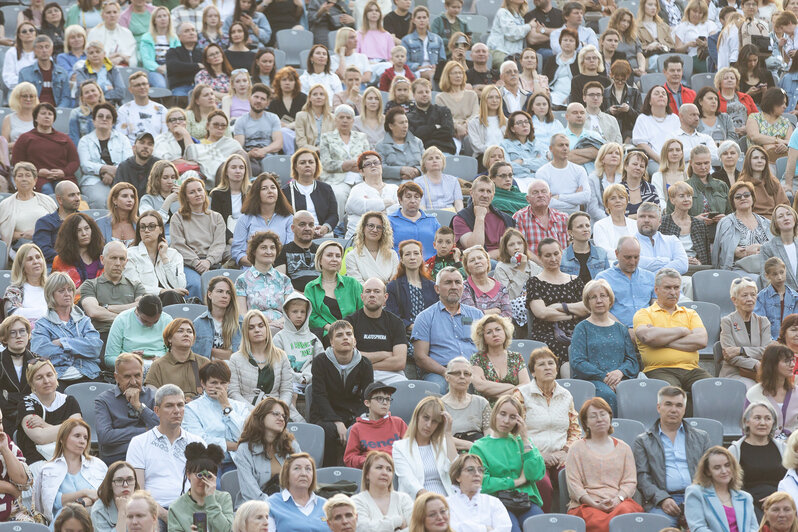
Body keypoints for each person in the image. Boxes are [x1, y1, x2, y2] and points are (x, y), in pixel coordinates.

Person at [632, 385, 713, 526]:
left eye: (679, 405)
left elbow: (710, 472)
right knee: (660, 526)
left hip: (698, 498)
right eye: (668, 404)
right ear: (659, 407)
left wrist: (697, 496)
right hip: (662, 502)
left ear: (684, 409)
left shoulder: (702, 437)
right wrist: (662, 499)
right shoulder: (643, 441)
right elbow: (642, 477)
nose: (674, 410)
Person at [633, 268, 710, 409]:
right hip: (659, 369)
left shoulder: (690, 314)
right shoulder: (644, 313)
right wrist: (682, 330)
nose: (673, 292)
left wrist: (662, 341)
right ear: (656, 290)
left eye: (676, 287)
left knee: (712, 389)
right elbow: (648, 336)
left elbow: (701, 341)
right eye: (667, 287)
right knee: (673, 395)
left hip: (692, 369)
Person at [125, 385, 203, 520]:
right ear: (157, 411)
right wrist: (167, 516)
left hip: (192, 511)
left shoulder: (198, 443)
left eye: (180, 405)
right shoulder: (139, 443)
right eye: (169, 406)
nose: (177, 411)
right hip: (154, 512)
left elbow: (205, 487)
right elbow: (138, 491)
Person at [565, 397, 643, 530]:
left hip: (618, 502)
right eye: (593, 416)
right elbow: (574, 485)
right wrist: (594, 504)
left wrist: (618, 499)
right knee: (597, 521)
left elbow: (630, 482)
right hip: (588, 505)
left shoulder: (624, 448)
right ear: (586, 422)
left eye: (603, 414)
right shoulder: (576, 448)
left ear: (610, 417)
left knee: (626, 515)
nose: (599, 419)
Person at [310, 319, 374, 465]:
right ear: (331, 342)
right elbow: (319, 396)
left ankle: (355, 475)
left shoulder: (365, 364)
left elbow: (367, 398)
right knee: (329, 431)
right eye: (339, 335)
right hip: (324, 414)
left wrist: (355, 423)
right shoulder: (320, 361)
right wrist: (336, 421)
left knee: (360, 429)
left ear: (355, 340)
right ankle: (328, 477)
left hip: (352, 412)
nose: (345, 338)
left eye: (349, 334)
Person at [570, 280, 639, 414]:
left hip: (620, 379)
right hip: (592, 380)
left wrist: (620, 372)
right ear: (587, 302)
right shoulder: (582, 328)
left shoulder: (621, 329)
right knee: (608, 395)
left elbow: (632, 360)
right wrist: (604, 377)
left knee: (636, 395)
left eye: (603, 296)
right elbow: (577, 362)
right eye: (593, 297)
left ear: (610, 300)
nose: (599, 300)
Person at [411, 267, 483, 391]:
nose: (454, 286)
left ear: (463, 287)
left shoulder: (477, 315)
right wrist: (447, 372)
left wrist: (477, 372)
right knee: (436, 390)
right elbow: (420, 357)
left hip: (474, 370)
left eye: (458, 282)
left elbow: (487, 349)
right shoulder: (425, 317)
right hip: (440, 372)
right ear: (437, 289)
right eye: (448, 283)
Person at [31, 271, 102, 386]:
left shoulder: (84, 320)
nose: (67, 294)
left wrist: (62, 342)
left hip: (89, 374)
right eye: (61, 290)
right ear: (51, 294)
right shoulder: (42, 324)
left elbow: (95, 348)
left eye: (70, 289)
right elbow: (41, 353)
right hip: (57, 380)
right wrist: (80, 350)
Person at [182, 360, 251, 475]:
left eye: (223, 383)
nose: (218, 387)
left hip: (239, 463)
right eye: (213, 383)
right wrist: (233, 446)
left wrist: (226, 406)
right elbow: (199, 441)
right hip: (207, 464)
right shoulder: (191, 409)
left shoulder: (240, 407)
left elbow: (243, 435)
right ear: (203, 383)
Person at [228, 309, 298, 421]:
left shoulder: (281, 356)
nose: (257, 330)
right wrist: (256, 412)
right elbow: (233, 393)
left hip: (279, 410)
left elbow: (287, 390)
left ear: (267, 328)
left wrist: (279, 409)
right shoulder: (236, 358)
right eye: (251, 327)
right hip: (248, 412)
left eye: (261, 326)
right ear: (246, 332)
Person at [527, 238, 588, 364]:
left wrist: (559, 306)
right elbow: (542, 313)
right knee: (560, 347)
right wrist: (572, 315)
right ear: (540, 257)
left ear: (562, 253)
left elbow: (586, 307)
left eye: (556, 254)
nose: (553, 259)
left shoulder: (575, 280)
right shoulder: (534, 282)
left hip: (577, 331)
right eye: (548, 255)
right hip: (547, 333)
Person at [34, 418, 108, 522]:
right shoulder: (49, 469)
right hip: (62, 524)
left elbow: (105, 497)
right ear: (62, 439)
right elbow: (53, 503)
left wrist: (82, 502)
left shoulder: (98, 465)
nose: (82, 441)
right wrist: (84, 493)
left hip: (95, 522)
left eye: (85, 438)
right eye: (77, 436)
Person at [233, 397, 300, 504]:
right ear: (261, 417)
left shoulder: (291, 445)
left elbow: (301, 481)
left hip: (288, 506)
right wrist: (278, 507)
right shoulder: (245, 449)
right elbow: (250, 493)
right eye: (275, 414)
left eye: (283, 416)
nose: (281, 418)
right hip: (255, 509)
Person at [94, 353, 158, 464]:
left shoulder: (153, 396)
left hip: (149, 455)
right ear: (116, 377)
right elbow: (105, 436)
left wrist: (139, 406)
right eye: (127, 376)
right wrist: (145, 431)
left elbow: (163, 428)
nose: (133, 382)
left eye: (137, 375)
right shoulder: (103, 400)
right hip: (118, 458)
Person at [170, 177, 226, 299]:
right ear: (185, 197)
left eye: (199, 190)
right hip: (189, 264)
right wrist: (196, 263)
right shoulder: (177, 218)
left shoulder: (216, 217)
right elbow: (178, 245)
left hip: (211, 263)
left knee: (221, 287)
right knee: (196, 284)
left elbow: (219, 244)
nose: (197, 194)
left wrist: (208, 261)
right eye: (192, 192)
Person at [729, 402, 787, 519]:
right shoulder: (735, 450)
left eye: (767, 419)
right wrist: (753, 500)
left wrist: (780, 498)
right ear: (746, 422)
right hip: (749, 503)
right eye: (757, 418)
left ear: (773, 423)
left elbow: (791, 480)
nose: (762, 423)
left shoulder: (783, 449)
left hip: (782, 502)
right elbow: (732, 483)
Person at [393, 396, 457, 497]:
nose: (428, 425)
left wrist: (448, 434)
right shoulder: (400, 447)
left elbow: (455, 471)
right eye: (426, 418)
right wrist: (431, 499)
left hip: (446, 500)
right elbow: (408, 481)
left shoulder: (443, 444)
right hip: (417, 502)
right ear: (417, 417)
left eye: (434, 421)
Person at [79, 241, 144, 339]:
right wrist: (127, 319)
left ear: (126, 262)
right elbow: (93, 311)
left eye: (122, 259)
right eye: (113, 258)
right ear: (102, 259)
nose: (118, 263)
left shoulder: (136, 285)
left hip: (130, 335)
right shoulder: (90, 285)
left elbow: (141, 309)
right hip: (101, 335)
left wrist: (106, 308)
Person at [685, 446, 758, 532]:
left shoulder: (745, 497)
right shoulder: (695, 492)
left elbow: (754, 528)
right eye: (717, 467)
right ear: (708, 471)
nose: (724, 471)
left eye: (727, 465)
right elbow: (698, 528)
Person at [11, 103, 79, 194]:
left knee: (64, 190)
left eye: (50, 114)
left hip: (63, 177)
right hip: (36, 177)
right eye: (43, 113)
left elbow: (74, 161)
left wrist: (63, 172)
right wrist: (36, 172)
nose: (47, 116)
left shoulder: (64, 138)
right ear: (35, 118)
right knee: (46, 190)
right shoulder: (25, 138)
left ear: (53, 119)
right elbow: (17, 161)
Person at [304, 240, 363, 343]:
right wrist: (331, 328)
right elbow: (311, 316)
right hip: (327, 335)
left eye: (338, 256)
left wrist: (349, 331)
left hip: (354, 333)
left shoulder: (353, 284)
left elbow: (362, 310)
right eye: (329, 255)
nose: (334, 259)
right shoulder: (311, 287)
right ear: (320, 260)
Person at [167, 442, 234, 532]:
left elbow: (229, 530)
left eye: (208, 475)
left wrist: (210, 499)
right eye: (199, 475)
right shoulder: (176, 508)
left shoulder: (223, 498)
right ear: (188, 474)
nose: (203, 480)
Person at [320, 104, 371, 221]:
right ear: (335, 119)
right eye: (341, 117)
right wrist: (344, 165)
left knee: (367, 196)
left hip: (360, 178)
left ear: (353, 121)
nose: (345, 120)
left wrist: (359, 167)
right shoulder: (326, 137)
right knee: (339, 195)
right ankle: (337, 226)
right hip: (337, 179)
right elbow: (326, 163)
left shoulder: (362, 137)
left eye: (348, 118)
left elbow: (368, 159)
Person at [124, 210, 187, 304]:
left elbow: (180, 285)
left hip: (172, 300)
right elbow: (134, 286)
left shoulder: (173, 254)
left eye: (151, 226)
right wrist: (162, 291)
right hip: (144, 301)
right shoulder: (130, 254)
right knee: (170, 295)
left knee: (171, 296)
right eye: (142, 227)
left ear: (161, 229)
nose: (146, 230)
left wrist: (165, 258)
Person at [719, 280, 772, 387]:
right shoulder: (727, 321)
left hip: (761, 373)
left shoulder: (763, 321)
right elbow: (729, 355)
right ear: (734, 300)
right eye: (744, 295)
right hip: (735, 373)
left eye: (753, 295)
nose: (750, 299)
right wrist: (755, 363)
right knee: (752, 387)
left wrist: (740, 350)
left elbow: (767, 351)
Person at [343, 382, 407, 467]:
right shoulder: (357, 428)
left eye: (388, 399)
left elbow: (411, 449)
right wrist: (368, 461)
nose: (385, 403)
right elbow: (349, 458)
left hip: (396, 469)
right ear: (367, 403)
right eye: (379, 399)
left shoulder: (398, 423)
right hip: (370, 472)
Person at [0, 164, 56, 261]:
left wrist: (38, 234)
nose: (24, 179)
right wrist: (24, 235)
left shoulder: (47, 200)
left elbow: (59, 225)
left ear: (35, 180)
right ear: (15, 180)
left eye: (28, 175)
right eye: (20, 175)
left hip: (49, 247)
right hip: (20, 251)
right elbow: (3, 233)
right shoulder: (5, 205)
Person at [144, 319, 210, 400]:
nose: (186, 334)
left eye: (189, 332)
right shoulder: (158, 365)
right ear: (169, 338)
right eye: (180, 331)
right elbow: (152, 397)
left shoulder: (204, 362)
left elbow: (215, 390)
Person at [713, 181, 772, 271]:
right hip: (739, 268)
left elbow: (775, 246)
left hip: (767, 267)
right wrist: (742, 252)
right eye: (738, 197)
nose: (743, 198)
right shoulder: (726, 222)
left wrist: (760, 247)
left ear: (753, 198)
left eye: (747, 195)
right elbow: (726, 248)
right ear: (733, 202)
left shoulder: (766, 222)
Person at [445, 453, 512, 532]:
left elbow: (505, 528)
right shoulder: (447, 504)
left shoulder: (494, 502)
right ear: (457, 477)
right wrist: (484, 529)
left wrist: (465, 526)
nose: (477, 474)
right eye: (470, 470)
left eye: (480, 470)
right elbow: (452, 529)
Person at [104, 295, 172, 369]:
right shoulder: (122, 319)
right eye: (145, 321)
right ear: (137, 310)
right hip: (129, 367)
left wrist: (163, 361)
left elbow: (174, 354)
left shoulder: (167, 320)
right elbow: (109, 358)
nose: (150, 325)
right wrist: (126, 360)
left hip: (160, 366)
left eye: (155, 321)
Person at [267, 452, 329, 531]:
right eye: (297, 468)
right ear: (287, 474)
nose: (303, 474)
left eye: (308, 469)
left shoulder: (326, 505)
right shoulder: (272, 504)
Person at [439, 357, 491, 452]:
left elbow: (489, 435)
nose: (462, 376)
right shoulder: (438, 405)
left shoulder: (481, 403)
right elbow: (438, 437)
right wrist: (470, 445)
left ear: (471, 378)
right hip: (451, 453)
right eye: (457, 373)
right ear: (447, 377)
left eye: (466, 374)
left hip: (480, 452)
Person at [352, 451, 413, 530]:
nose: (385, 473)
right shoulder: (357, 501)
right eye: (379, 467)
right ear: (367, 474)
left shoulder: (404, 499)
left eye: (389, 469)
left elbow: (416, 527)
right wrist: (397, 520)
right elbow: (364, 529)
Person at [747, 344, 798, 437]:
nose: (792, 365)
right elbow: (747, 429)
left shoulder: (796, 392)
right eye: (787, 361)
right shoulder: (754, 394)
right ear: (772, 364)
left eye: (792, 360)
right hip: (763, 445)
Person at [345, 153, 399, 239]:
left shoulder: (394, 188)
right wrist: (384, 203)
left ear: (381, 166)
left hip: (389, 239)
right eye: (368, 164)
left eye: (376, 162)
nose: (373, 165)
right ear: (361, 172)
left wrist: (371, 208)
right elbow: (354, 205)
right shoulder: (357, 189)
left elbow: (400, 210)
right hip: (358, 240)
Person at [660, 180, 712, 268]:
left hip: (695, 269)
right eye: (681, 196)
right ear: (672, 200)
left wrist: (698, 263)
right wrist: (682, 261)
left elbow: (706, 256)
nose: (686, 199)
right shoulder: (663, 222)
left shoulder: (699, 225)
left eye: (689, 196)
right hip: (671, 268)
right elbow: (660, 253)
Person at [0, 316, 35, 432]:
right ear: (4, 338)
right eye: (12, 332)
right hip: (5, 417)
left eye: (22, 331)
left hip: (33, 415)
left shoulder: (38, 361)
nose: (19, 336)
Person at [635, 202, 688, 274]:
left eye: (651, 217)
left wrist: (656, 276)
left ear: (660, 222)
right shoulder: (629, 243)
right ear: (636, 220)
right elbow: (634, 263)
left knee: (688, 282)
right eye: (642, 216)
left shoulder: (672, 240)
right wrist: (666, 261)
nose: (646, 220)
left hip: (671, 282)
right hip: (640, 283)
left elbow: (682, 265)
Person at [632, 86, 680, 165]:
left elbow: (680, 141)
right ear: (650, 101)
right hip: (653, 161)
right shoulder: (643, 119)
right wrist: (661, 160)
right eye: (656, 93)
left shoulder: (675, 119)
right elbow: (641, 144)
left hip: (675, 160)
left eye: (664, 94)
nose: (661, 95)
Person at [406, 78, 456, 154]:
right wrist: (435, 127)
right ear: (413, 95)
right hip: (421, 153)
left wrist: (423, 131)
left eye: (427, 91)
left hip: (444, 151)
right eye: (420, 92)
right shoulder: (409, 117)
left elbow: (449, 132)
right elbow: (414, 138)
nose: (424, 94)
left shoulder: (443, 111)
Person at [18, 35, 70, 107]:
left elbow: (66, 98)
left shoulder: (62, 73)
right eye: (40, 47)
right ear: (34, 50)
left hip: (56, 112)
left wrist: (57, 112)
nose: (44, 50)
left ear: (51, 49)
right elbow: (21, 97)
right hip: (33, 112)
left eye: (47, 47)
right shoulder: (24, 73)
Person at [460, 245, 511, 318]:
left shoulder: (501, 288)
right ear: (467, 267)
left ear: (487, 262)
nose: (477, 262)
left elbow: (508, 317)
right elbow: (467, 318)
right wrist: (492, 312)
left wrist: (480, 313)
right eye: (472, 260)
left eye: (480, 258)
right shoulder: (463, 288)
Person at [89, 460, 141, 532]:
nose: (125, 485)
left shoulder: (143, 504)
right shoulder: (99, 510)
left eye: (130, 479)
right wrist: (122, 512)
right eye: (119, 480)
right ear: (110, 484)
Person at [592, 184, 638, 260]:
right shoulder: (599, 225)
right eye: (613, 198)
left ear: (626, 202)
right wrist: (628, 257)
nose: (618, 201)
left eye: (621, 197)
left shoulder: (635, 224)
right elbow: (604, 251)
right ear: (606, 204)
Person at [560, 211, 609, 283]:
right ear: (570, 232)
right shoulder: (562, 256)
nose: (585, 229)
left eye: (587, 225)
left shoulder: (601, 253)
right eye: (580, 226)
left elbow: (608, 282)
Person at [756, 257, 798, 340]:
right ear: (767, 276)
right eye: (775, 274)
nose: (779, 277)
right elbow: (759, 324)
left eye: (782, 272)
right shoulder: (761, 297)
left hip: (791, 341)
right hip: (769, 342)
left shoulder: (795, 297)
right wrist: (771, 341)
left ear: (785, 271)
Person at [114, 133, 159, 201]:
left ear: (153, 149)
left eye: (150, 144)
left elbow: (176, 181)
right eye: (142, 143)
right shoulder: (124, 167)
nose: (145, 146)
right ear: (134, 147)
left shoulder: (159, 166)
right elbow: (116, 192)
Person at [2, 82, 37, 155]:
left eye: (31, 96)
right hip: (15, 156)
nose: (28, 99)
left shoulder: (39, 118)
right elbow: (3, 146)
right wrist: (20, 144)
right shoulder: (9, 119)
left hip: (36, 155)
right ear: (17, 98)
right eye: (24, 96)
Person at [2, 23, 37, 92]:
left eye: (31, 30)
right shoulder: (11, 52)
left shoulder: (42, 50)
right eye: (24, 31)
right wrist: (28, 83)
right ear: (19, 35)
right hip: (18, 90)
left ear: (35, 33)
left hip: (39, 90)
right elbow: (8, 77)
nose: (28, 33)